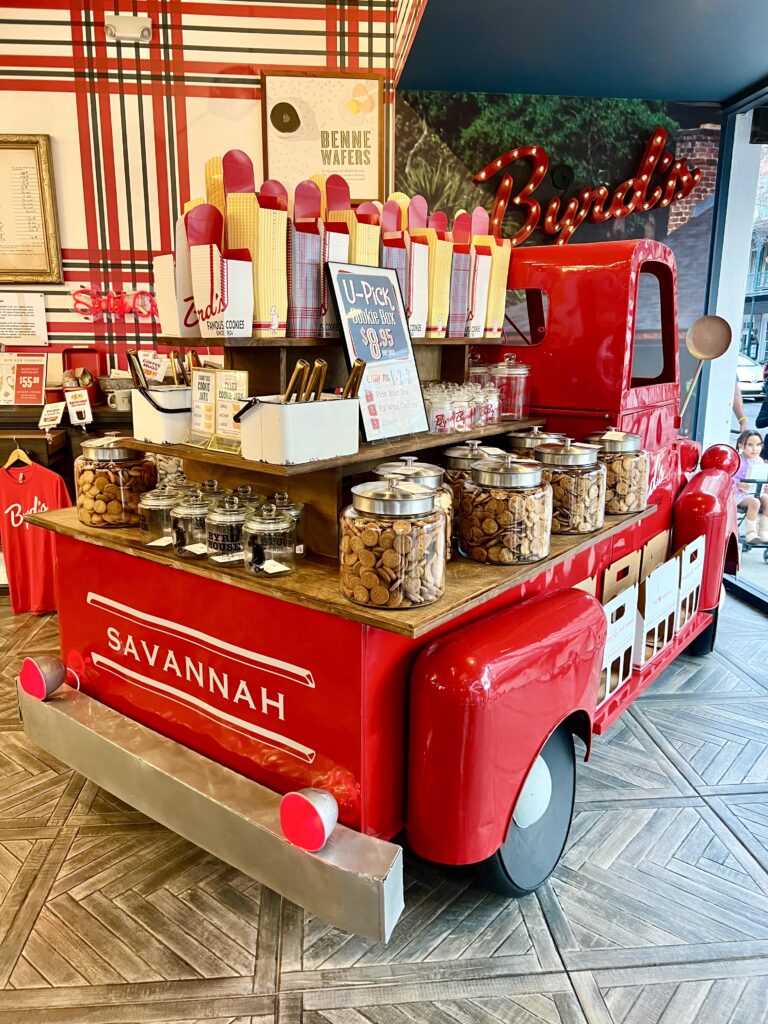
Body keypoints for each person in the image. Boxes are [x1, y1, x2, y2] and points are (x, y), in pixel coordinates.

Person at [735, 429, 768, 542]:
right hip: (739, 494)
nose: (755, 449)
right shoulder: (737, 460)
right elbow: (729, 478)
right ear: (741, 445)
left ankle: (764, 531)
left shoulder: (759, 461)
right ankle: (750, 533)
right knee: (755, 502)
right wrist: (738, 483)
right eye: (750, 445)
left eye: (758, 445)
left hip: (756, 491)